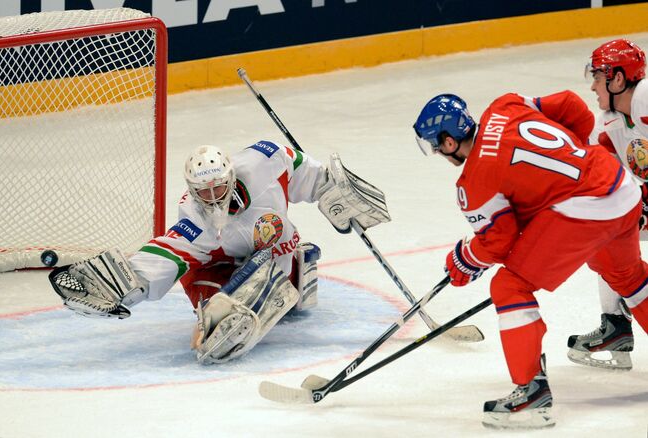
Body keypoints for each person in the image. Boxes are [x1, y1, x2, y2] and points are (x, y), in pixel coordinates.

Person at [412, 91, 648, 429]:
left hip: (586, 208)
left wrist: (464, 260)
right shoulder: (504, 105)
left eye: (436, 145)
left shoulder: (473, 182)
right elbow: (571, 105)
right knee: (628, 277)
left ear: (449, 142)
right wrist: (574, 162)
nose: (437, 152)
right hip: (619, 186)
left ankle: (532, 395)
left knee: (510, 285)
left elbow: (500, 240)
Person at [49, 141, 389, 364]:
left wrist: (332, 188)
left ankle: (291, 274)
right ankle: (219, 306)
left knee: (289, 302)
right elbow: (170, 250)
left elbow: (299, 166)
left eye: (218, 186)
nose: (212, 196)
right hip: (220, 268)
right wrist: (128, 282)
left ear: (230, 175)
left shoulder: (264, 163)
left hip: (274, 252)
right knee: (216, 327)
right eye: (203, 190)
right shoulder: (195, 217)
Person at [567, 38, 648, 370]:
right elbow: (609, 181)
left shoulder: (646, 98)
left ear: (618, 79)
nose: (592, 86)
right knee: (603, 232)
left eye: (598, 77)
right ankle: (614, 324)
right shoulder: (608, 123)